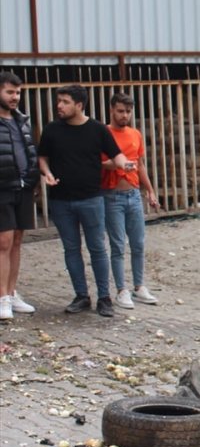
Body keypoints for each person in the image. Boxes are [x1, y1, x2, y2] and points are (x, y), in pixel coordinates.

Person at [38, 85, 132, 317]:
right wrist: (46, 173)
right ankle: (81, 295)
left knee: (97, 248)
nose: (59, 105)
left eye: (65, 101)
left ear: (79, 105)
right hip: (60, 200)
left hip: (91, 199)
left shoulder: (97, 129)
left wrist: (124, 164)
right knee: (71, 249)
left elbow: (115, 153)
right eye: (59, 101)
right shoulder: (52, 130)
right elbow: (42, 157)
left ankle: (104, 297)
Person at [101, 92, 159, 310]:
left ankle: (139, 285)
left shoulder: (135, 134)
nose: (124, 115)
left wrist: (150, 191)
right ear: (112, 110)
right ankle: (121, 289)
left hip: (133, 193)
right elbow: (100, 162)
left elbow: (140, 164)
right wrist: (118, 164)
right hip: (111, 194)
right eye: (120, 111)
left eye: (128, 111)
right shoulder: (104, 133)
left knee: (138, 243)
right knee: (117, 245)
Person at [0, 72, 40, 321]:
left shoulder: (21, 120)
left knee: (16, 241)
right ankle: (2, 296)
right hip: (2, 188)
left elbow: (29, 149)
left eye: (18, 93)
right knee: (3, 242)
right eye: (9, 92)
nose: (15, 97)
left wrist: (33, 178)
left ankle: (12, 293)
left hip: (23, 187)